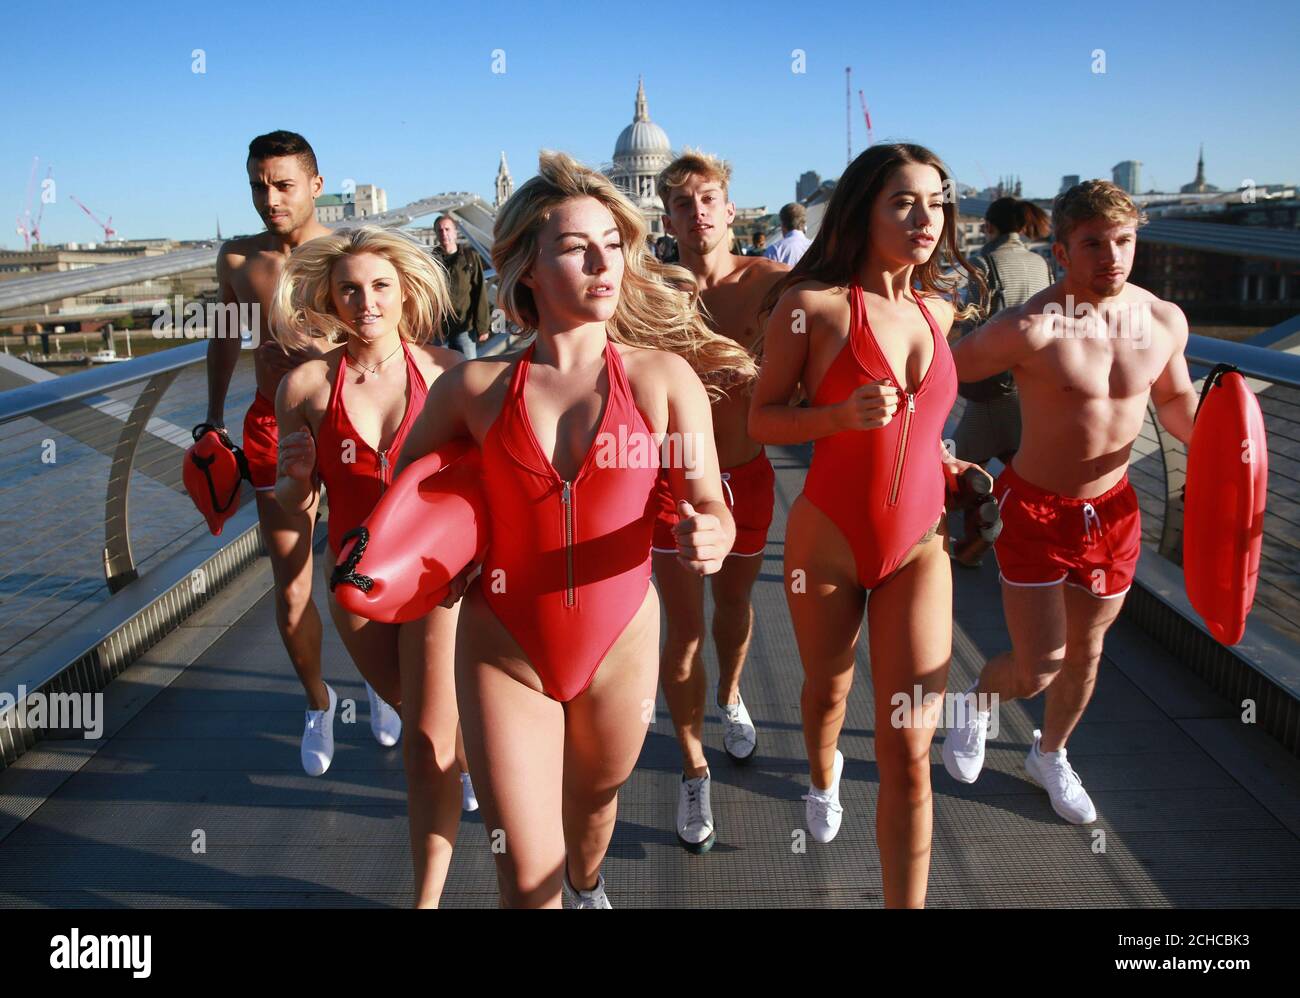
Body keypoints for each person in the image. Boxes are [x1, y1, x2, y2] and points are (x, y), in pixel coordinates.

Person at [396, 151, 757, 908]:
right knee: (527, 878)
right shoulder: (472, 390)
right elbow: (403, 506)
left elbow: (709, 499)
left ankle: (590, 884)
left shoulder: (663, 380)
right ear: (527, 267)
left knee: (592, 814)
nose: (603, 262)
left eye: (613, 245)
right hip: (504, 648)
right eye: (574, 246)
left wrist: (714, 533)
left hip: (619, 648)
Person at [750, 143, 988, 908]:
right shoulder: (811, 307)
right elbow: (763, 421)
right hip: (829, 541)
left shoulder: (941, 309)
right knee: (827, 689)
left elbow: (922, 431)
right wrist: (837, 415)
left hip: (921, 549)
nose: (927, 218)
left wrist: (951, 470)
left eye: (937, 202)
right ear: (863, 211)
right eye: (904, 202)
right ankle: (824, 776)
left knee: (909, 749)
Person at [942, 180, 1197, 824]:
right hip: (1035, 510)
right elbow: (938, 369)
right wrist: (936, 455)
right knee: (1037, 667)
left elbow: (1172, 401)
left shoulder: (1164, 319)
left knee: (1086, 654)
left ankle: (1048, 751)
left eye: (1123, 241)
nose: (1111, 256)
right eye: (1093, 244)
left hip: (1114, 512)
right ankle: (976, 702)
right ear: (1060, 250)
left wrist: (1229, 446)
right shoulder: (1030, 328)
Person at [271, 225, 469, 906]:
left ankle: (426, 899)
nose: (366, 302)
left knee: (421, 743)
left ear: (405, 290)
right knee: (423, 717)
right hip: (354, 585)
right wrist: (295, 481)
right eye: (350, 289)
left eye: (381, 286)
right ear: (329, 294)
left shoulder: (448, 373)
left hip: (439, 579)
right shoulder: (304, 385)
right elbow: (299, 501)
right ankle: (466, 756)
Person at [204, 130, 399, 776]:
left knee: (363, 574)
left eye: (284, 184)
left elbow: (395, 334)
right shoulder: (238, 262)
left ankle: (379, 681)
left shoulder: (350, 256)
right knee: (290, 594)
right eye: (259, 184)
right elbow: (226, 343)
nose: (270, 198)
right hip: (271, 428)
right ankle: (318, 703)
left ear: (317, 185)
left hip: (346, 422)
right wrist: (209, 420)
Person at [653, 150, 789, 853]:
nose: (698, 212)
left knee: (734, 607)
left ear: (731, 209)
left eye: (709, 199)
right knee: (682, 630)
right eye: (683, 203)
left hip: (747, 470)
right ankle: (691, 763)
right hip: (673, 482)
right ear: (667, 215)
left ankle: (730, 695)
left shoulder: (775, 285)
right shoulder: (647, 290)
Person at [951, 196, 1053, 468]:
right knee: (1021, 461)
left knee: (956, 468)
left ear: (988, 227)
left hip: (992, 384)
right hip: (1029, 383)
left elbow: (973, 327)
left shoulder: (984, 265)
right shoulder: (1040, 264)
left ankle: (977, 508)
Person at [432, 214, 491, 359]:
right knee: (440, 375)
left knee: (468, 371)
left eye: (447, 229)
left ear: (455, 232)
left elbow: (479, 292)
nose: (444, 233)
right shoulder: (431, 260)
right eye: (440, 230)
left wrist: (482, 326)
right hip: (439, 330)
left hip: (464, 328)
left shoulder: (470, 257)